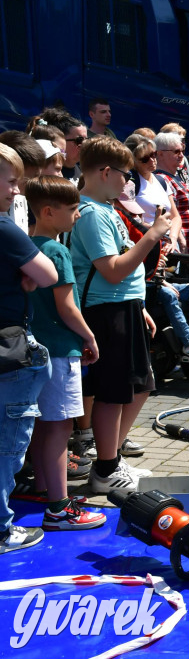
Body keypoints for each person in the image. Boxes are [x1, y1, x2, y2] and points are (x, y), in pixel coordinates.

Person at [69, 137, 171, 493]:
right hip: (106, 311)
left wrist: (139, 306)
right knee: (112, 393)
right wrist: (152, 235)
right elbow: (112, 270)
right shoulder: (92, 214)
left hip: (124, 307)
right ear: (105, 172)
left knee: (140, 386)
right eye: (126, 175)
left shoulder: (105, 209)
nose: (128, 182)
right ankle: (105, 469)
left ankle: (109, 458)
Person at [23, 176, 105, 531]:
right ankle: (58, 507)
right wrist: (89, 336)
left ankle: (43, 488)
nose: (77, 215)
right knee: (60, 428)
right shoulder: (57, 251)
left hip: (34, 350)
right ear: (47, 212)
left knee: (42, 424)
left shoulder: (25, 247)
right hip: (59, 350)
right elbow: (67, 306)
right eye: (72, 209)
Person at [0, 145, 58, 553]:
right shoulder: (4, 228)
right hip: (9, 349)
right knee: (7, 448)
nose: (16, 190)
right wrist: (28, 275)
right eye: (10, 181)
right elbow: (48, 274)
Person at [154, 132, 189, 256]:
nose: (181, 155)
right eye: (176, 152)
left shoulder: (174, 177)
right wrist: (180, 239)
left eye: (182, 151)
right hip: (182, 249)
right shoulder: (162, 179)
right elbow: (170, 215)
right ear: (160, 154)